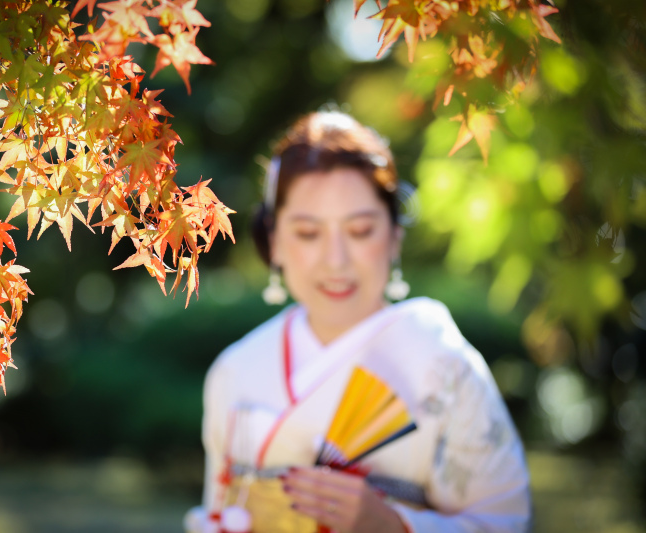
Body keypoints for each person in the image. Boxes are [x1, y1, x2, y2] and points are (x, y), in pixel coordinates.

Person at [187, 111, 531, 533]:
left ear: (394, 236)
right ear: (275, 242)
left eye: (361, 230)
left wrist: (392, 524)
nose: (336, 260)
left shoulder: (445, 367)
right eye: (309, 233)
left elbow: (505, 522)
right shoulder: (235, 370)